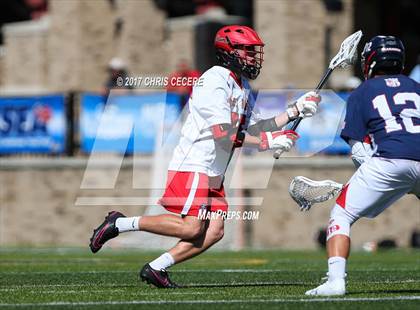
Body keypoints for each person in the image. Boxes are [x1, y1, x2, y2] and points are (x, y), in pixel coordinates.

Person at [89, 25, 321, 288]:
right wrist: (269, 142)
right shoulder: (214, 80)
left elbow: (253, 129)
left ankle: (156, 267)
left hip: (214, 170)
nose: (253, 57)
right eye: (247, 51)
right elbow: (224, 135)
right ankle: (119, 223)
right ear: (229, 52)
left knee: (214, 232)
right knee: (191, 229)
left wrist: (294, 111)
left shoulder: (241, 85)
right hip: (194, 163)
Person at [306, 35, 420, 296]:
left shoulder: (363, 92)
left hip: (389, 160)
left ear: (370, 61)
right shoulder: (416, 86)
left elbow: (357, 146)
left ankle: (335, 281)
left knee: (342, 215)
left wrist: (371, 176)